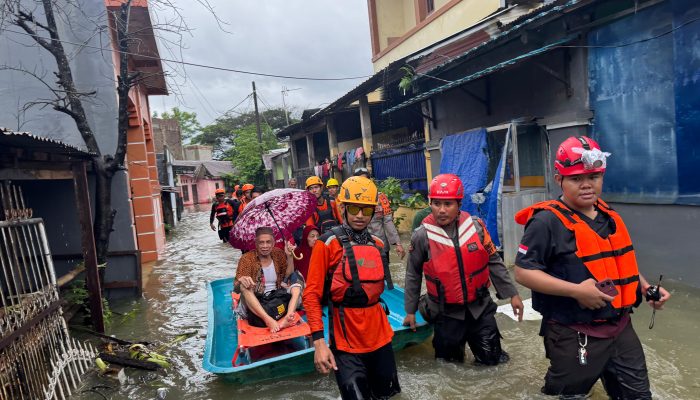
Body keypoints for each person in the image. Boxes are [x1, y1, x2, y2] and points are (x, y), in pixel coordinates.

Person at [514, 136, 671, 399]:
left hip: (621, 328)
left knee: (639, 396)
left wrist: (645, 287)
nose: (587, 185)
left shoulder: (608, 214)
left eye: (594, 177)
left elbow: (619, 259)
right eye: (576, 179)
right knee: (568, 396)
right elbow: (523, 271)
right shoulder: (545, 222)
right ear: (559, 179)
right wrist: (576, 291)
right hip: (574, 332)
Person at [403, 173, 524, 365]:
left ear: (459, 205)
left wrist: (513, 294)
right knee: (450, 366)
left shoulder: (476, 227)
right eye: (436, 204)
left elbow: (494, 261)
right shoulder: (422, 236)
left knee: (492, 363)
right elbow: (413, 275)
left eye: (448, 204)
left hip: (480, 307)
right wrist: (410, 311)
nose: (441, 210)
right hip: (445, 312)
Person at [303, 176, 400, 399]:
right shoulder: (326, 244)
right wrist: (319, 343)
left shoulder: (377, 244)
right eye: (354, 208)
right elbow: (311, 294)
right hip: (346, 343)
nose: (359, 215)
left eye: (366, 210)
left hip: (381, 338)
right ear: (343, 207)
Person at [235, 227, 304, 333]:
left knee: (297, 277)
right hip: (256, 302)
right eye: (261, 242)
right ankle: (268, 320)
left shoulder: (278, 254)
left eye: (268, 242)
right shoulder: (247, 259)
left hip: (275, 298)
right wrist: (242, 280)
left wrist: (289, 257)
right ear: (256, 243)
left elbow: (288, 275)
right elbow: (236, 289)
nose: (265, 246)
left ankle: (288, 316)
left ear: (273, 243)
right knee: (244, 286)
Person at [354, 168, 406, 261]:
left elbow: (388, 221)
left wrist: (398, 244)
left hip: (381, 245)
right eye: (359, 181)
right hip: (360, 246)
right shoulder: (350, 199)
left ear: (370, 181)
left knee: (384, 273)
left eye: (365, 180)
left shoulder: (381, 197)